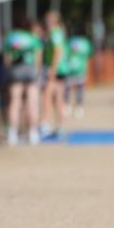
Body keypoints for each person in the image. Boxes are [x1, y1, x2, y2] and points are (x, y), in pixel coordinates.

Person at [3, 18, 43, 145]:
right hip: (30, 69)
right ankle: (33, 133)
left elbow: (7, 59)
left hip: (16, 70)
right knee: (32, 101)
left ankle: (12, 133)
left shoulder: (11, 37)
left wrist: (9, 72)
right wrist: (37, 72)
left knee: (15, 102)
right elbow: (38, 57)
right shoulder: (33, 38)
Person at [40, 11, 67, 139]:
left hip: (56, 69)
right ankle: (59, 127)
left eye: (48, 20)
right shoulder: (57, 32)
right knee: (58, 98)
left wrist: (53, 69)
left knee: (48, 96)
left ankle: (45, 125)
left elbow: (58, 50)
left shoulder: (55, 32)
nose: (46, 22)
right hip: (59, 69)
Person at [64, 30, 93, 119]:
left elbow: (87, 57)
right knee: (73, 89)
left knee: (76, 89)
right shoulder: (84, 43)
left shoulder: (72, 42)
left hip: (76, 70)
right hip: (74, 70)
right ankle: (72, 106)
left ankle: (74, 107)